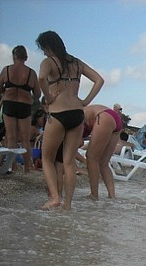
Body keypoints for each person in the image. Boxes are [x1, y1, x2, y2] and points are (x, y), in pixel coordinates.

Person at [36, 31, 104, 210]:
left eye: (43, 48)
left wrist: (48, 97)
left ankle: (55, 197)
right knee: (68, 162)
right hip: (77, 113)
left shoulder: (48, 62)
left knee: (47, 159)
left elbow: (41, 77)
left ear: (47, 46)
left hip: (58, 113)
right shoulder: (76, 62)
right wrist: (86, 101)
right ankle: (67, 205)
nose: (43, 52)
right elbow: (99, 80)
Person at [0, 45, 41, 172]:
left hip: (9, 103)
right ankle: (27, 167)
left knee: (11, 137)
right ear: (26, 58)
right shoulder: (31, 73)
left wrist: (7, 91)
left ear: (13, 56)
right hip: (24, 105)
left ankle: (14, 166)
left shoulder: (6, 70)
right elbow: (38, 94)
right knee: (25, 138)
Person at [82, 104, 123, 200]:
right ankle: (112, 196)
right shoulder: (82, 112)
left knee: (91, 158)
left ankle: (94, 195)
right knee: (103, 163)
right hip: (114, 119)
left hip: (103, 116)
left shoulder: (76, 118)